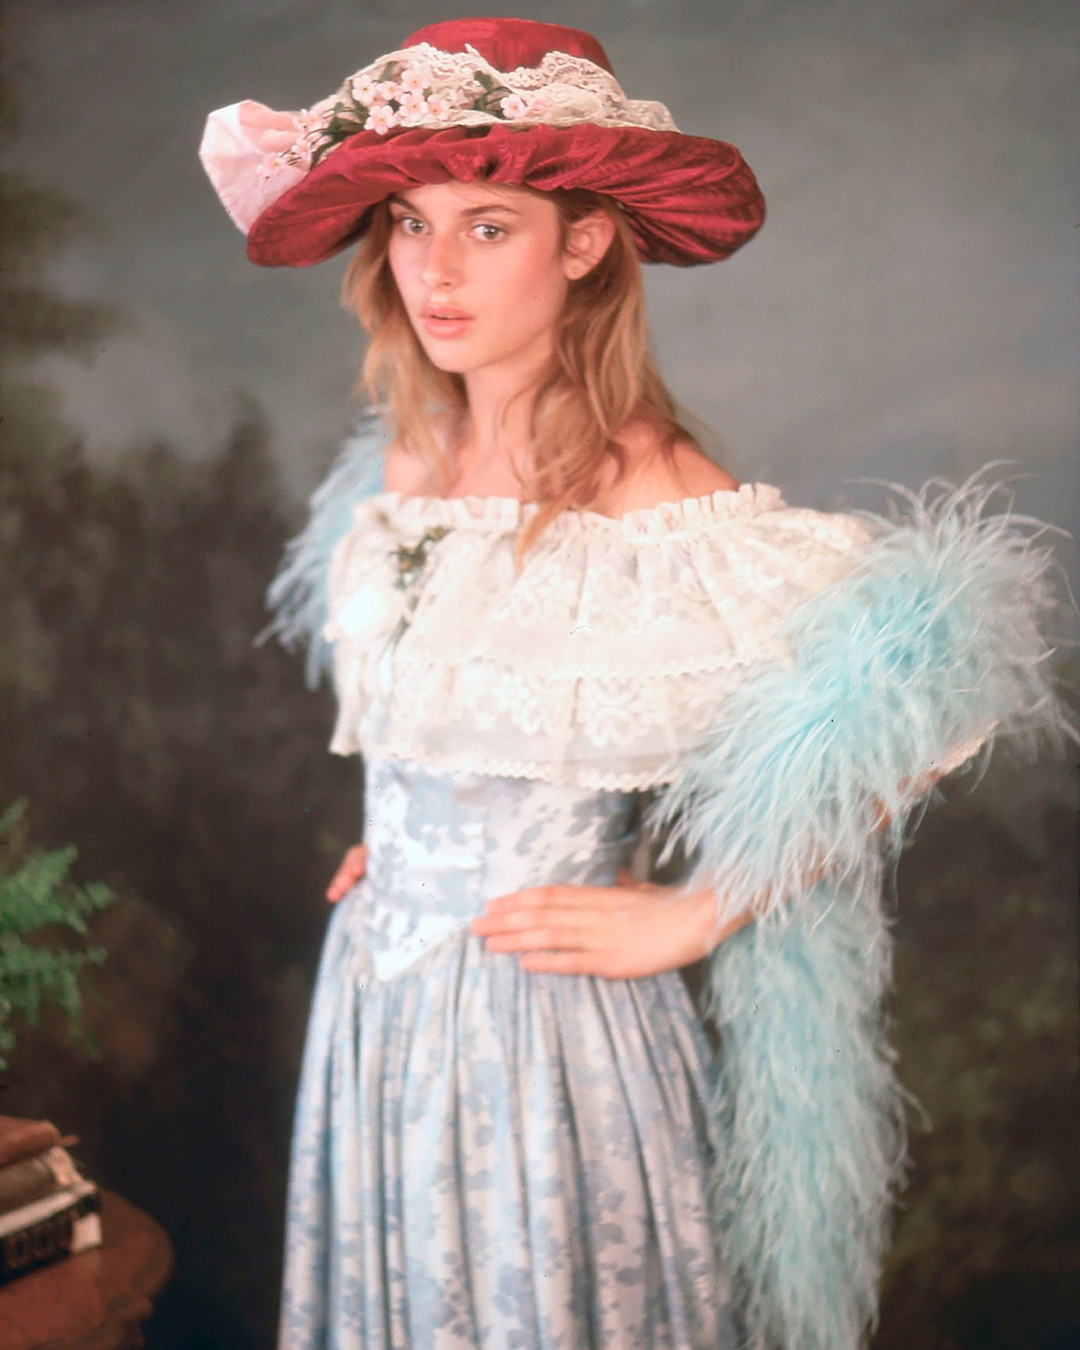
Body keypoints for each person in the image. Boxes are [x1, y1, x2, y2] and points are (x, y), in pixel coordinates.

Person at [199, 18, 1068, 1350]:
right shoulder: (406, 458)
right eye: (413, 223)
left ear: (584, 242)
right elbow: (448, 712)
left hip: (550, 1035)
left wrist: (693, 915)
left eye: (489, 226)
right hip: (378, 1004)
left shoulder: (650, 483)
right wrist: (411, 841)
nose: (436, 269)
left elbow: (926, 684)